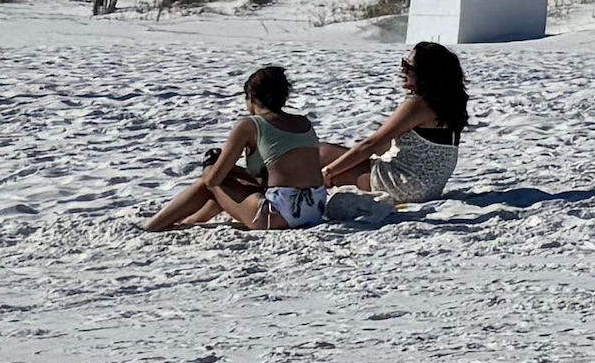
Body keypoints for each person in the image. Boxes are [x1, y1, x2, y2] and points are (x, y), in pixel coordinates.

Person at [142, 64, 333, 232]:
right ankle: (192, 221)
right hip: (314, 209)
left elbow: (213, 180)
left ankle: (153, 226)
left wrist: (213, 164)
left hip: (278, 214)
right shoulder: (303, 122)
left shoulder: (250, 125)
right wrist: (232, 171)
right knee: (227, 182)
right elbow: (276, 176)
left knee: (209, 180)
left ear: (251, 96)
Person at [320, 38, 475, 202]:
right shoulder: (448, 104)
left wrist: (328, 172)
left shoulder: (418, 104)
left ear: (425, 73)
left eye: (408, 66)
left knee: (321, 153)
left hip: (403, 184)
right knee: (341, 160)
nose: (403, 71)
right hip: (427, 187)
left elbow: (372, 144)